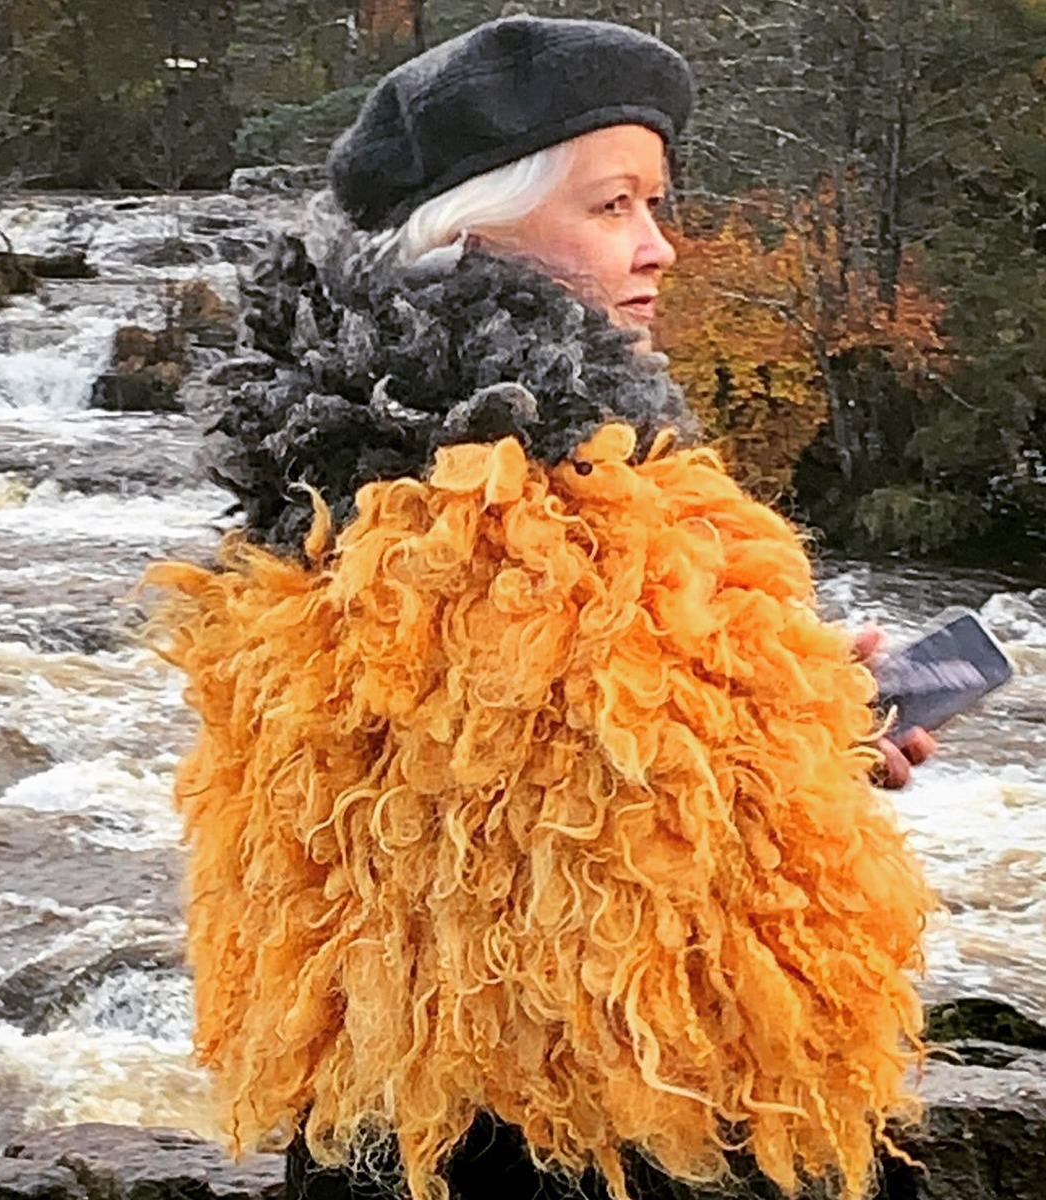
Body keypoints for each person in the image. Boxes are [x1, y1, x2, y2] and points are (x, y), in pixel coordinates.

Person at [148, 15, 934, 1200]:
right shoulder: (475, 498)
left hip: (424, 1113)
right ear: (474, 230)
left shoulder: (366, 456)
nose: (660, 247)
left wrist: (801, 707)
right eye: (612, 207)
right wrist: (800, 727)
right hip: (560, 1138)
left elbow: (584, 787)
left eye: (655, 205)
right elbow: (577, 819)